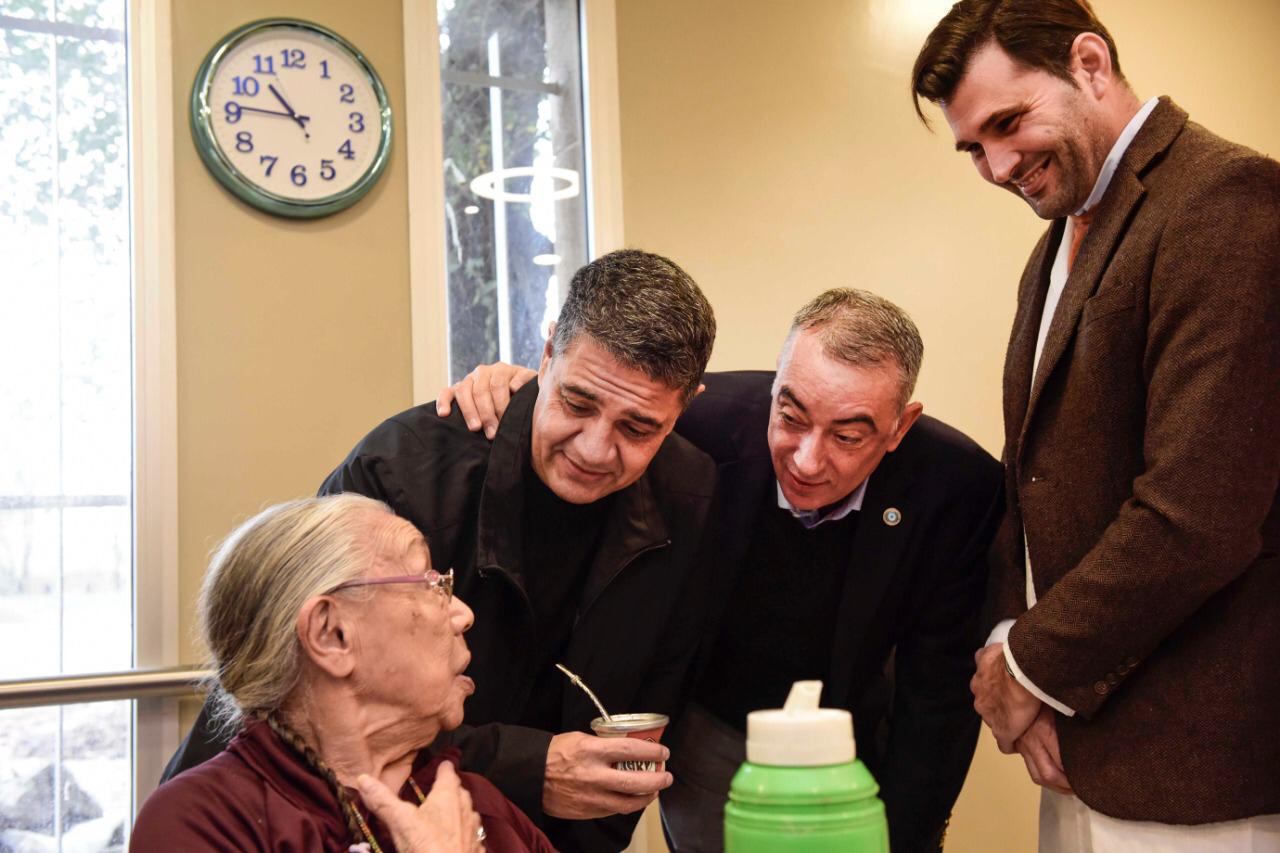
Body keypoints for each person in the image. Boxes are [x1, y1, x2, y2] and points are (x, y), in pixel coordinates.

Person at [163, 249, 719, 853]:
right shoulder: (403, 474)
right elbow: (304, 705)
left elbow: (642, 722)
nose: (593, 448)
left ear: (685, 406)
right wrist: (528, 768)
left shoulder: (689, 496)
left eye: (638, 429)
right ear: (548, 352)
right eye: (577, 404)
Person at [443, 288, 1004, 852]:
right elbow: (588, 418)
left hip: (851, 734)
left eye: (847, 437)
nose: (807, 461)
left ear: (899, 428)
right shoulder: (698, 424)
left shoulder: (956, 489)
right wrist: (516, 392)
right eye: (790, 416)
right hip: (709, 720)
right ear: (774, 389)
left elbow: (937, 695)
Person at [911, 1, 1280, 848]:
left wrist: (1031, 667)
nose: (999, 165)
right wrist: (1009, 640)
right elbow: (1033, 475)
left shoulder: (1226, 198)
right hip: (1079, 746)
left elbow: (1199, 514)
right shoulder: (1063, 234)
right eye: (973, 147)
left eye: (1008, 123)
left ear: (1090, 63)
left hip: (1198, 768)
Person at [132, 493, 554, 852]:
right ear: (331, 634)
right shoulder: (202, 822)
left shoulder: (471, 805)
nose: (463, 614)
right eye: (432, 584)